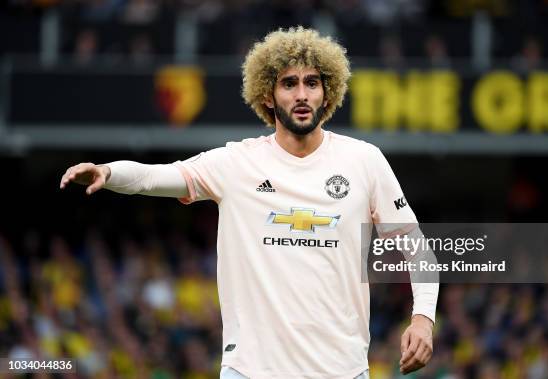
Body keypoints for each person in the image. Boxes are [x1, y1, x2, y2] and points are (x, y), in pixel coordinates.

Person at [60, 26, 439, 379]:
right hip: (251, 370)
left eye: (312, 83)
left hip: (342, 369)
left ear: (329, 91)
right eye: (289, 84)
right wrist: (108, 172)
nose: (302, 94)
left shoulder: (364, 161)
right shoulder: (236, 163)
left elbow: (418, 250)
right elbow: (154, 176)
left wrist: (423, 319)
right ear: (267, 95)